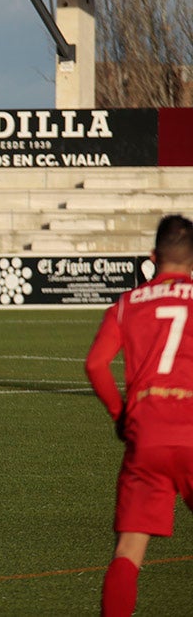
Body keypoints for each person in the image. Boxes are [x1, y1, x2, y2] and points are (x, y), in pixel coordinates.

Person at [85, 214, 193, 617]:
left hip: (146, 434)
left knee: (129, 551)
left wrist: (120, 414)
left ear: (152, 258)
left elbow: (96, 365)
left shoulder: (128, 304)